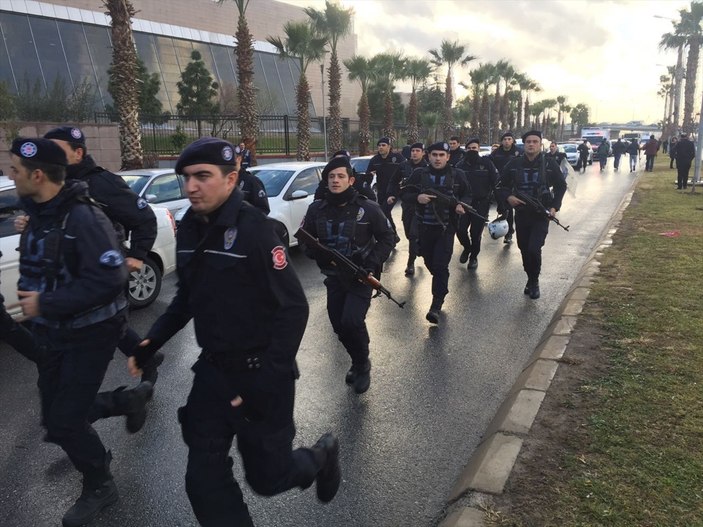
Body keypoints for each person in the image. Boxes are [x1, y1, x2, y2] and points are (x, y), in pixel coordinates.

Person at [128, 137, 341, 527]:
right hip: (212, 374)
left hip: (262, 374)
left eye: (202, 176)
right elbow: (187, 298)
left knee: (268, 479)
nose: (191, 186)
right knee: (202, 481)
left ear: (231, 178)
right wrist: (151, 341)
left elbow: (293, 309)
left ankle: (321, 455)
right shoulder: (190, 229)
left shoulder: (257, 232)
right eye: (186, 177)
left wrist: (266, 380)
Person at [8, 137, 146, 526]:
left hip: (93, 332)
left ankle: (100, 482)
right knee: (56, 417)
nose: (10, 174)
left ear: (38, 175)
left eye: (15, 169)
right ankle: (126, 402)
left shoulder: (84, 218)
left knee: (65, 420)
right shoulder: (39, 211)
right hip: (54, 332)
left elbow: (110, 278)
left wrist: (44, 304)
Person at [42, 126, 163, 385]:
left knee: (102, 326)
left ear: (78, 153)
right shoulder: (56, 184)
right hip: (69, 272)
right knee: (107, 326)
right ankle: (145, 358)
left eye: (56, 150)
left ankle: (84, 401)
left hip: (101, 273)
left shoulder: (100, 183)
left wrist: (137, 257)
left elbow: (144, 218)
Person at [303, 157, 394, 393]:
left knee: (352, 321)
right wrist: (318, 255)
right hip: (333, 278)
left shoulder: (368, 208)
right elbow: (306, 240)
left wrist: (371, 264)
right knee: (338, 325)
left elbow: (387, 239)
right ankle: (356, 359)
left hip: (360, 276)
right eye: (331, 177)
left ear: (351, 180)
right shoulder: (316, 209)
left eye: (340, 176)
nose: (335, 180)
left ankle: (363, 364)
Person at [401, 141, 471, 324]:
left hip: (446, 229)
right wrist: (418, 197)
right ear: (428, 156)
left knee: (440, 267)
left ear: (448, 157)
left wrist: (461, 205)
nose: (438, 158)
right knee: (430, 262)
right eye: (434, 155)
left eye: (442, 155)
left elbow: (467, 195)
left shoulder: (457, 175)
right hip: (424, 228)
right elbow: (405, 195)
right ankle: (441, 285)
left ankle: (436, 305)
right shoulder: (419, 174)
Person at [496, 130, 567, 299]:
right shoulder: (514, 164)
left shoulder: (549, 163)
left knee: (534, 249)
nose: (531, 144)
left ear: (540, 143)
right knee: (524, 249)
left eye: (535, 141)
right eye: (528, 141)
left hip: (541, 214)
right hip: (522, 214)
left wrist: (554, 207)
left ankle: (534, 281)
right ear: (524, 143)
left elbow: (561, 186)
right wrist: (509, 197)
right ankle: (530, 277)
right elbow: (500, 186)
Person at [456, 138, 498, 269]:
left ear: (478, 149)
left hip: (481, 204)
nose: (471, 150)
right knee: (460, 230)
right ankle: (467, 248)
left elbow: (496, 182)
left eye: (474, 148)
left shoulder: (486, 164)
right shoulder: (459, 165)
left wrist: (500, 203)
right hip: (463, 204)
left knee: (476, 233)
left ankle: (473, 257)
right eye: (469, 148)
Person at [387, 142, 427, 276]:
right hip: (407, 205)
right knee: (409, 234)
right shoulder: (403, 166)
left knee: (414, 234)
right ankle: (417, 249)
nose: (414, 153)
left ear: (423, 153)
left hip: (422, 207)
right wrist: (391, 194)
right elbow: (393, 181)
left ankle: (410, 263)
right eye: (413, 151)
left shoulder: (427, 167)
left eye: (417, 150)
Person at [366, 137, 405, 242]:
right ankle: (394, 235)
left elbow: (406, 169)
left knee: (384, 212)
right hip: (381, 191)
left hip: (394, 191)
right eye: (379, 145)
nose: (381, 147)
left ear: (389, 147)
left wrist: (403, 181)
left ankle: (391, 235)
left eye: (383, 145)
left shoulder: (397, 158)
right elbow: (368, 175)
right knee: (385, 213)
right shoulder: (375, 160)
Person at [489, 132, 520, 244]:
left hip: (514, 185)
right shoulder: (497, 153)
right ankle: (507, 230)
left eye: (509, 139)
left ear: (512, 140)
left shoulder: (518, 152)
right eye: (505, 139)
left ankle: (510, 232)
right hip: (500, 185)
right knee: (504, 209)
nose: (507, 141)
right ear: (502, 141)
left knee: (510, 209)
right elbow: (489, 162)